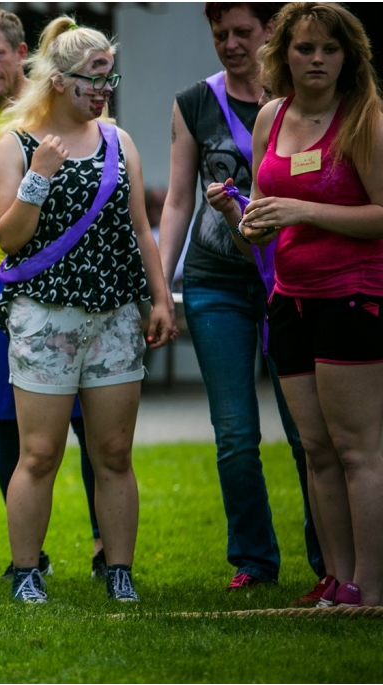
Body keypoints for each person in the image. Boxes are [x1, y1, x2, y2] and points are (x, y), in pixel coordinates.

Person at [0, 16, 173, 604]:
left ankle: (119, 570)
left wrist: (160, 299)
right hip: (45, 316)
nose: (105, 88)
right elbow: (9, 237)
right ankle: (26, 571)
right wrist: (39, 176)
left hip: (115, 314)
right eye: (94, 78)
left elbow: (142, 231)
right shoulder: (16, 144)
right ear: (60, 81)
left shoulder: (120, 141)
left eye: (109, 77)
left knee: (114, 452)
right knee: (38, 453)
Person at [157, 2, 326, 598]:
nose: (230, 43)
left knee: (308, 431)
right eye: (219, 33)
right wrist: (163, 283)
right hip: (215, 282)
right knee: (234, 432)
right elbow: (178, 200)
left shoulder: (302, 100)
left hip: (294, 279)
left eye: (243, 32)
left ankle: (328, 557)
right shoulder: (193, 103)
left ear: (271, 34)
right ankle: (254, 560)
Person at [217, 2, 383, 608]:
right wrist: (237, 213)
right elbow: (260, 228)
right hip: (290, 300)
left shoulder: (366, 118)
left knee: (358, 449)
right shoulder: (272, 117)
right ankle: (337, 582)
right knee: (315, 449)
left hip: (354, 298)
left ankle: (372, 587)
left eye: (329, 49)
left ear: (349, 57)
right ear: (283, 52)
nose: (316, 59)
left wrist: (304, 210)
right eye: (305, 48)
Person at [0, 6, 106, 582]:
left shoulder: (67, 107)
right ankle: (27, 561)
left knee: (88, 421)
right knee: (10, 425)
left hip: (74, 280)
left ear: (22, 52)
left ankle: (109, 547)